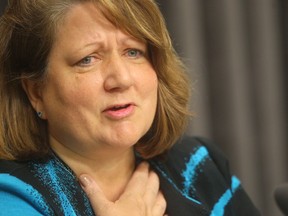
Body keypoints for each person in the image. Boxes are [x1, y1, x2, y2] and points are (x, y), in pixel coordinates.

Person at [0, 0, 260, 215]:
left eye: (133, 52)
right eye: (88, 59)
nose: (121, 79)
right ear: (35, 91)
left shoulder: (200, 163)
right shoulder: (14, 198)